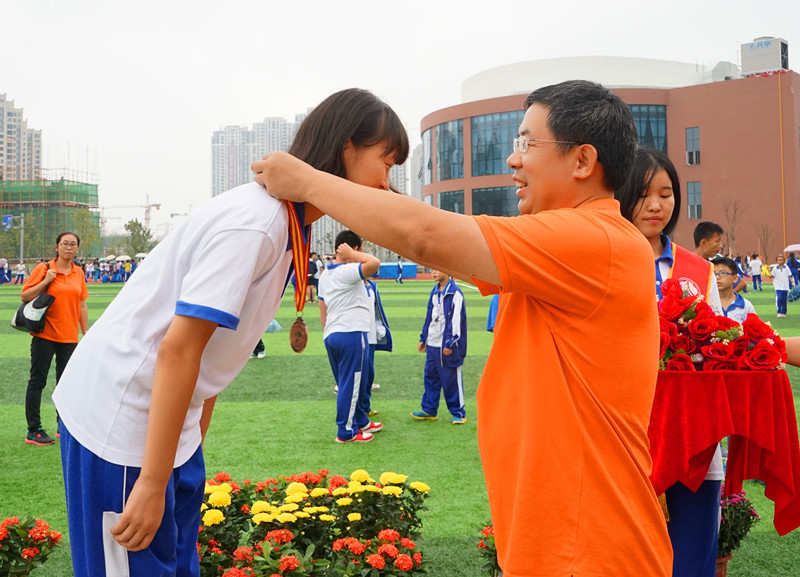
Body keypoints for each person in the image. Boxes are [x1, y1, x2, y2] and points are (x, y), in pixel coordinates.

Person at [253, 79, 672, 576]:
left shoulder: (594, 238)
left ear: (582, 160)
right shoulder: (573, 242)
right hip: (568, 544)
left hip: (589, 551)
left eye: (527, 143)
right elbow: (434, 240)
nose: (513, 159)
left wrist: (305, 181)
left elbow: (426, 236)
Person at [51, 88, 408, 577]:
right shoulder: (256, 223)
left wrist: (187, 448)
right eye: (385, 163)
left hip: (170, 423)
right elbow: (179, 348)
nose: (387, 184)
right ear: (347, 148)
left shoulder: (288, 226)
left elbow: (214, 352)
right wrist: (152, 481)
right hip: (124, 422)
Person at [616, 148, 722, 577]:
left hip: (692, 443)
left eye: (666, 193)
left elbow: (717, 348)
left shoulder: (698, 270)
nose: (656, 205)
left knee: (690, 562)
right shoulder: (599, 261)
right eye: (644, 194)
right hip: (622, 440)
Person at [22, 232, 89, 446]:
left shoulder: (79, 272)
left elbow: (82, 304)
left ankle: (63, 425)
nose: (69, 248)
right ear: (57, 247)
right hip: (45, 334)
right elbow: (25, 295)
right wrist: (47, 280)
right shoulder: (44, 269)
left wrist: (85, 332)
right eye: (65, 244)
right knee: (37, 381)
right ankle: (34, 430)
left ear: (77, 249)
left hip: (69, 336)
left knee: (65, 383)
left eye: (73, 244)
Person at [318, 230, 383, 443]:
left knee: (351, 381)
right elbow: (374, 263)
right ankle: (346, 432)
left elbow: (322, 307)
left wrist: (326, 332)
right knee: (351, 383)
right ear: (352, 249)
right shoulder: (347, 270)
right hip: (351, 333)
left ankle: (360, 420)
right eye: (359, 250)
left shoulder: (325, 274)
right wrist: (352, 255)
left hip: (333, 334)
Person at [412, 269, 467, 424]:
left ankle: (458, 412)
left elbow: (456, 321)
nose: (433, 272)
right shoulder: (434, 291)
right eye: (431, 270)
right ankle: (429, 409)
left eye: (436, 269)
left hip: (448, 345)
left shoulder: (455, 293)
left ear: (447, 270)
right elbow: (429, 316)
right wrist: (423, 337)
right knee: (431, 377)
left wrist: (450, 342)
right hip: (432, 343)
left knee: (451, 379)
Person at [364, 275, 392, 415]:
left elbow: (376, 311)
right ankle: (357, 411)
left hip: (371, 338)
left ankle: (365, 406)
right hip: (356, 336)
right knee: (358, 374)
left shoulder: (372, 287)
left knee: (369, 373)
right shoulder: (353, 285)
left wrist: (379, 327)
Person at [712, 256, 756, 323]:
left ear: (735, 278)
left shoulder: (746, 306)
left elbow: (754, 326)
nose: (717, 277)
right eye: (713, 274)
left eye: (723, 273)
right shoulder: (706, 304)